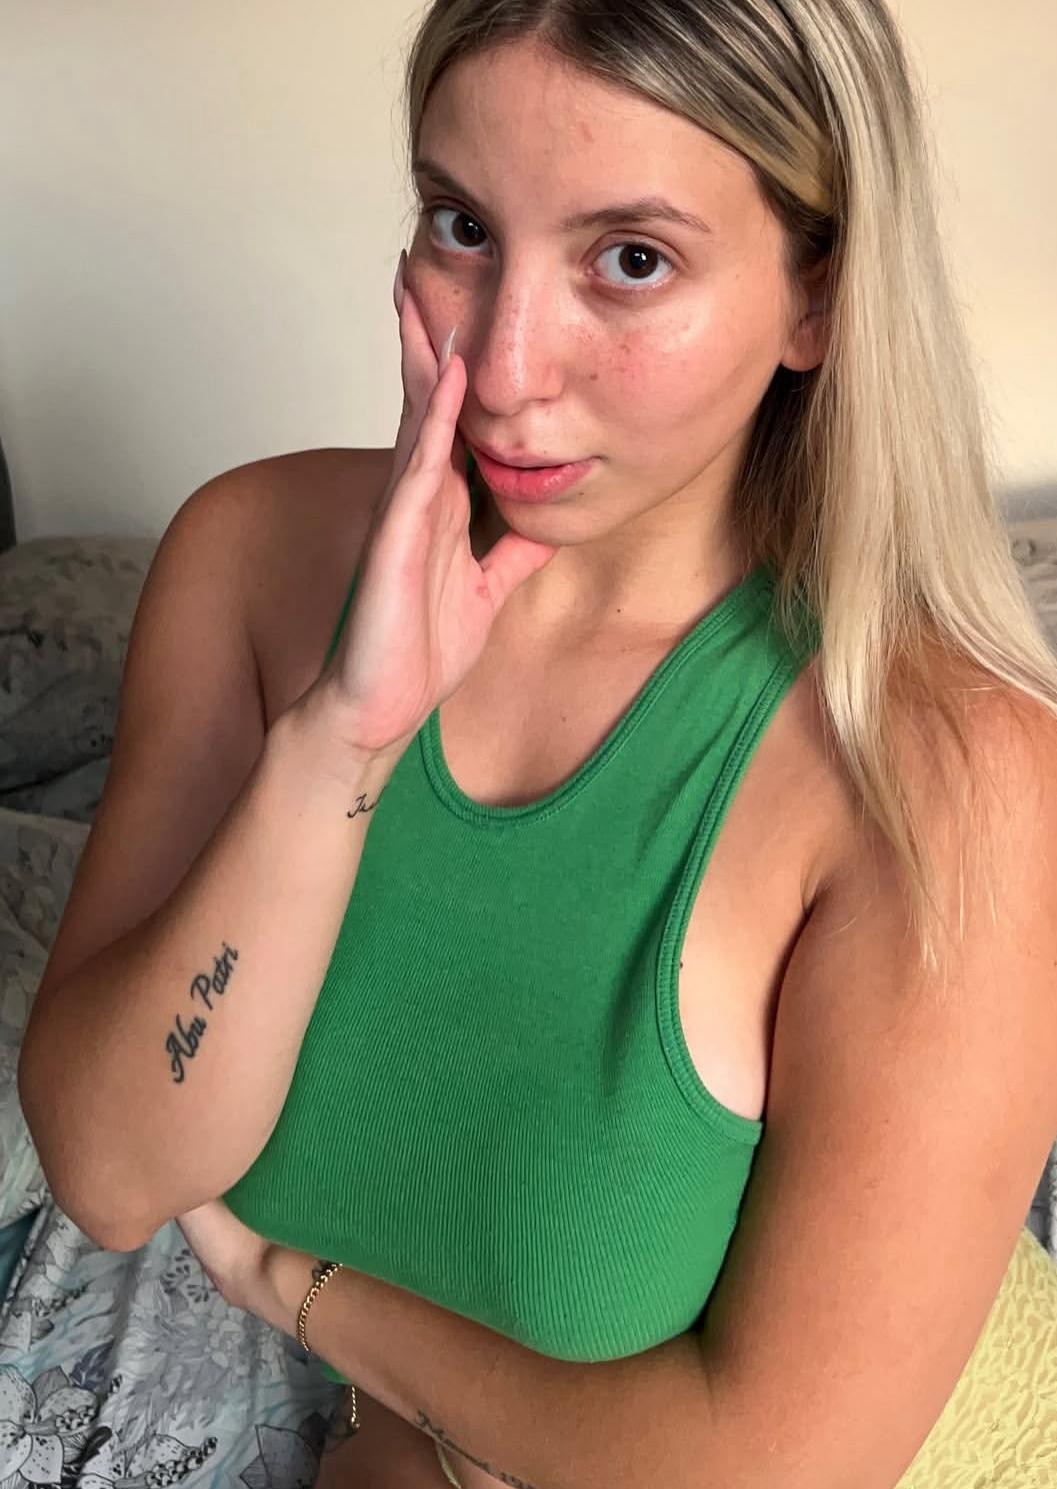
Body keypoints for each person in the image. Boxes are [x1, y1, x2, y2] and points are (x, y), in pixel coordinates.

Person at [10, 0, 1057, 1485]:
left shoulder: (948, 773)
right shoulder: (250, 558)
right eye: (461, 226)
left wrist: (301, 1292)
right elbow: (117, 1174)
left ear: (816, 297)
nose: (502, 370)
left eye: (630, 261)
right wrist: (337, 744)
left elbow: (763, 1469)